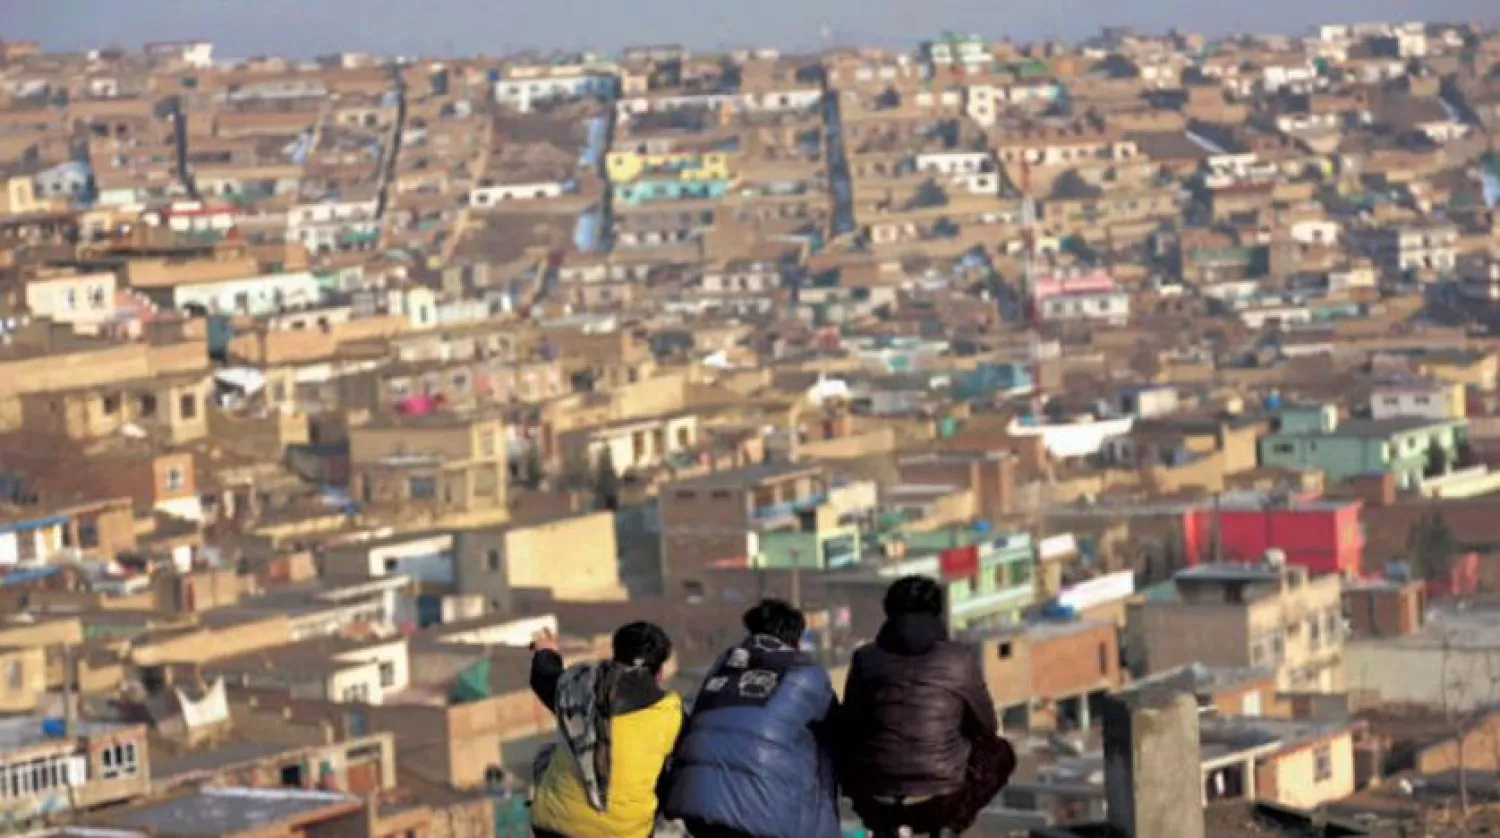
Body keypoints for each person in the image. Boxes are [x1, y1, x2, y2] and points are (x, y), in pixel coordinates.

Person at [841, 576, 1016, 838]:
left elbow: (849, 726)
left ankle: (883, 828)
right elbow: (987, 726)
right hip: (940, 802)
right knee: (1001, 754)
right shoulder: (959, 659)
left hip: (877, 799)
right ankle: (951, 827)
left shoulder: (865, 658)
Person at [661, 599, 841, 838]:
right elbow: (837, 740)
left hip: (694, 802)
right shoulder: (807, 673)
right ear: (797, 639)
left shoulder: (723, 667)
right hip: (763, 814)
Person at [529, 622, 683, 838]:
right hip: (624, 833)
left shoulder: (578, 688)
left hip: (554, 828)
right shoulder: (670, 713)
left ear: (616, 656)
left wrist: (545, 650)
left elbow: (543, 676)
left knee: (547, 754)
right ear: (660, 672)